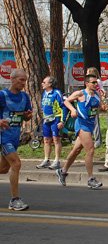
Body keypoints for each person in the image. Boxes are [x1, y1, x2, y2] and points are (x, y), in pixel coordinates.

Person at [57, 74, 104, 189]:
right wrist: (73, 109)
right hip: (82, 124)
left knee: (76, 150)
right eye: (93, 82)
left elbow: (100, 107)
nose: (95, 84)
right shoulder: (81, 93)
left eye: (96, 82)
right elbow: (66, 101)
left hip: (91, 124)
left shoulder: (97, 94)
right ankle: (90, 179)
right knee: (90, 150)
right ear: (86, 83)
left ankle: (63, 171)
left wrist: (104, 106)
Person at [0, 69, 33, 210]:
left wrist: (27, 116)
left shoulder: (25, 97)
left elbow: (25, 115)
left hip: (15, 137)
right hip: (3, 136)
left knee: (3, 169)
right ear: (12, 79)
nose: (24, 83)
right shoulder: (2, 95)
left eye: (25, 80)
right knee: (17, 164)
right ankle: (14, 200)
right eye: (21, 80)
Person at [37, 76, 66, 170]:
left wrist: (62, 120)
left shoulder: (57, 93)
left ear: (50, 84)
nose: (42, 83)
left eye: (44, 82)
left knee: (56, 139)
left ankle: (57, 160)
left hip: (56, 118)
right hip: (46, 119)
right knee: (46, 139)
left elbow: (64, 106)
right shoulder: (45, 93)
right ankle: (46, 159)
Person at [87, 67, 104, 148]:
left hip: (94, 103)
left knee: (95, 121)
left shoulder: (97, 81)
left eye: (88, 72)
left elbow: (102, 91)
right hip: (88, 103)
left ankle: (98, 140)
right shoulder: (88, 82)